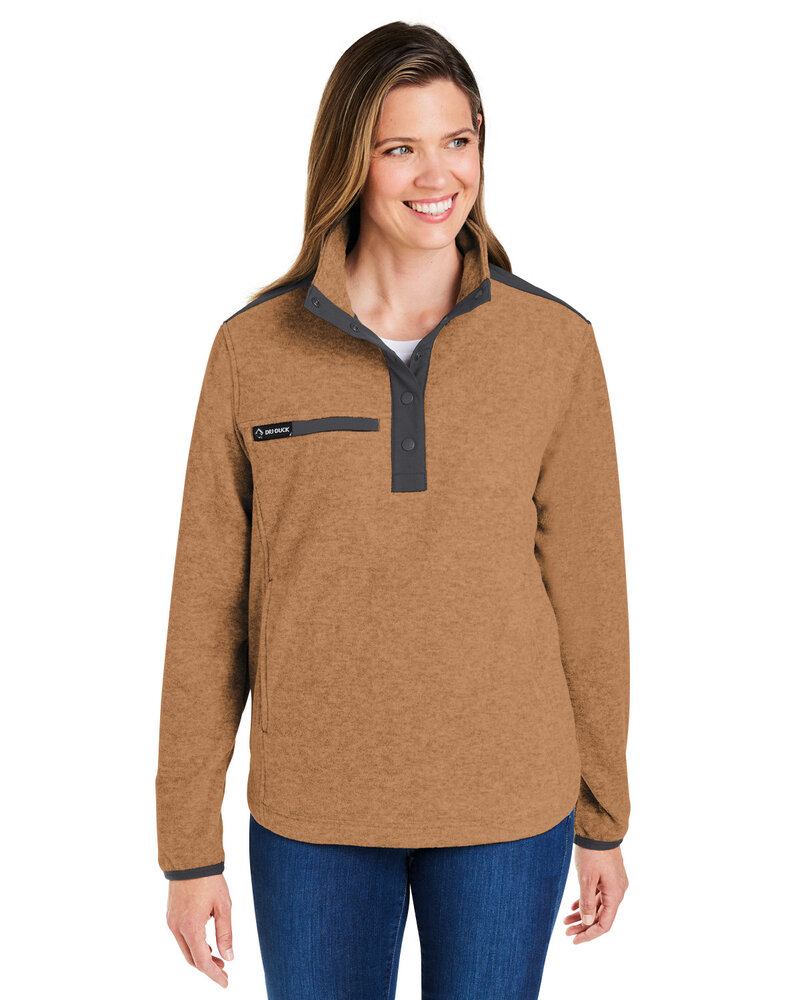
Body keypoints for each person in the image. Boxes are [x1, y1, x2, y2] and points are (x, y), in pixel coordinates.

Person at [156, 20, 631, 999]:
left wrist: (602, 817)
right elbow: (206, 612)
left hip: (507, 807)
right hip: (313, 814)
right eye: (399, 147)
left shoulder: (553, 346)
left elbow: (589, 594)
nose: (436, 174)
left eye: (457, 140)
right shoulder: (254, 351)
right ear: (350, 160)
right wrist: (187, 847)